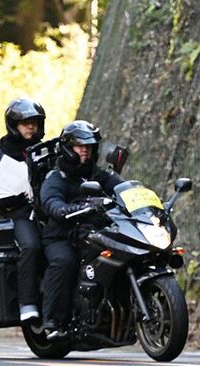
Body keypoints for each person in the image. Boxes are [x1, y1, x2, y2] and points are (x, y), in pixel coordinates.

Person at [38, 120, 123, 340]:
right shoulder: (56, 177)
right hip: (61, 236)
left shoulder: (97, 175)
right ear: (68, 148)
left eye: (89, 146)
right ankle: (53, 322)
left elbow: (121, 188)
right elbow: (51, 201)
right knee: (64, 261)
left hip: (92, 232)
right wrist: (64, 209)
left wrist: (142, 199)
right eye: (79, 146)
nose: (85, 150)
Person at [0, 98, 47, 323]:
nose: (31, 127)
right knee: (31, 246)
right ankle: (28, 303)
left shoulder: (45, 151)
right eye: (25, 123)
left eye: (34, 123)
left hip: (47, 211)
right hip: (17, 213)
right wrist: (6, 196)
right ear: (14, 125)